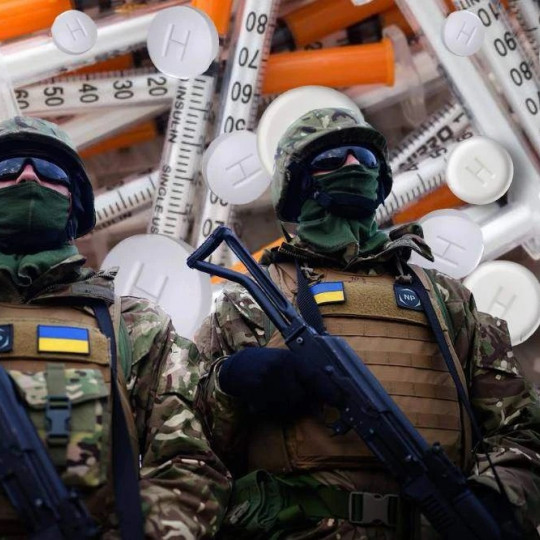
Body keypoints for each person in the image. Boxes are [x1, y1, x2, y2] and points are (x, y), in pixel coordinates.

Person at [194, 107, 540, 539]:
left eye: (365, 157)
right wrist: (228, 384)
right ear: (300, 184)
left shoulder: (448, 302)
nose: (353, 165)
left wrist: (497, 497)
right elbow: (181, 444)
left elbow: (522, 428)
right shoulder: (250, 302)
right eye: (332, 159)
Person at [0, 116, 231, 538]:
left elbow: (192, 467)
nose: (27, 177)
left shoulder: (134, 326)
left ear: (74, 203)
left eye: (48, 170)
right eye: (7, 168)